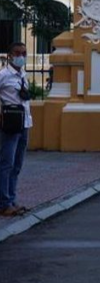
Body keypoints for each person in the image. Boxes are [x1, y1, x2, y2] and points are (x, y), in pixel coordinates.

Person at [0, 42, 33, 217]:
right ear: (10, 55)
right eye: (17, 53)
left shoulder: (23, 75)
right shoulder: (4, 75)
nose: (21, 56)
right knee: (6, 164)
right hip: (10, 124)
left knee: (17, 165)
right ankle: (4, 203)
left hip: (24, 123)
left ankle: (12, 200)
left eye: (24, 53)